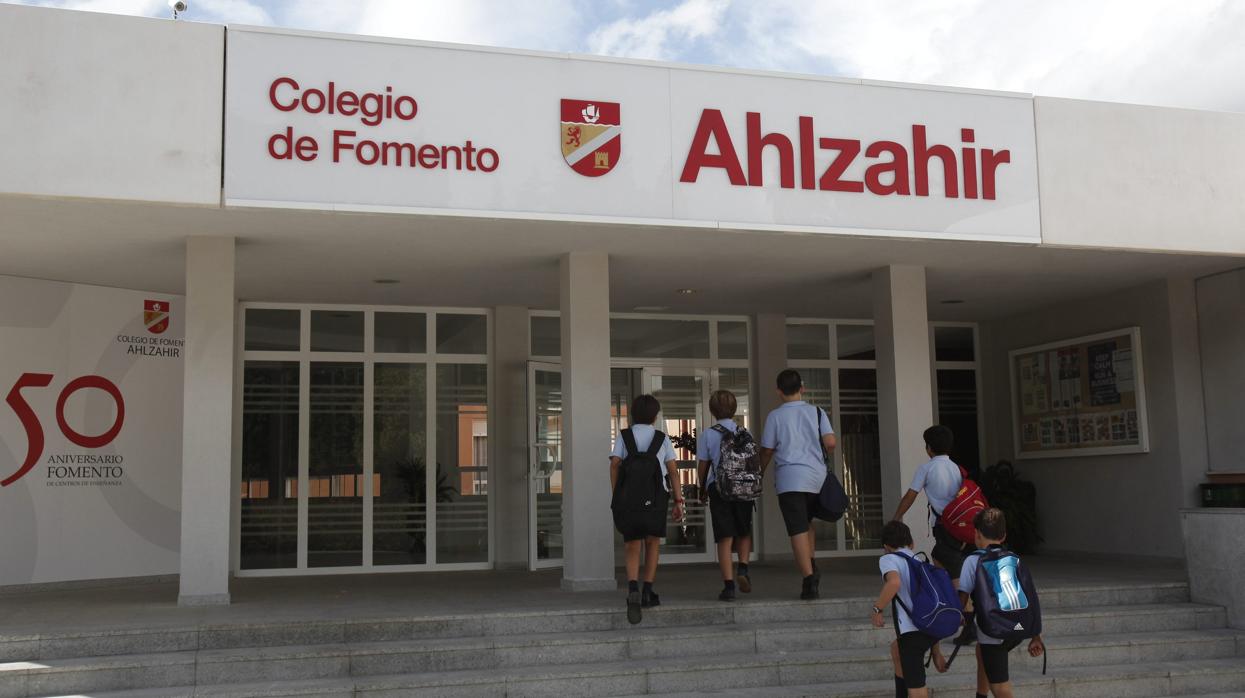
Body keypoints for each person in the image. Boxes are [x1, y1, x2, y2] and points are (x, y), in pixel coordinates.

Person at [759, 369, 836, 599]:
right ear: (802, 388)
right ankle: (811, 563)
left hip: (790, 479)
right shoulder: (817, 412)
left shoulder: (775, 416)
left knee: (797, 529)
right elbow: (830, 442)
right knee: (807, 523)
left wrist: (758, 474)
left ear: (778, 391)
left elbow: (767, 450)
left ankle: (808, 579)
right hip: (817, 478)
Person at [609, 394, 683, 625]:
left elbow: (614, 464)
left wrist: (616, 493)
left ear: (632, 414)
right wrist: (679, 500)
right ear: (655, 415)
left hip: (629, 499)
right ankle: (648, 591)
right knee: (652, 542)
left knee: (632, 544)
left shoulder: (624, 436)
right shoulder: (661, 438)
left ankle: (632, 587)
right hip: (656, 497)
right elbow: (672, 470)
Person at [959, 508, 1045, 698]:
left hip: (993, 630)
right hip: (1016, 629)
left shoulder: (973, 560)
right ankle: (981, 694)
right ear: (1004, 535)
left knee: (1001, 688)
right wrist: (1036, 635)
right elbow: (1030, 597)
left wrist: (956, 617)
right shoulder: (1014, 559)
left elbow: (963, 598)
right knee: (982, 653)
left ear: (977, 534)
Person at [871, 520, 949, 698]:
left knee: (917, 690)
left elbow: (894, 582)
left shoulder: (888, 558)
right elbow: (930, 608)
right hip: (928, 629)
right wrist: (936, 653)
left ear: (886, 546)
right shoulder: (918, 560)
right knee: (896, 650)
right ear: (911, 543)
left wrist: (877, 609)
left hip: (912, 634)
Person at [890, 425, 971, 582]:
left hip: (944, 524)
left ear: (929, 448)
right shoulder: (956, 468)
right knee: (941, 557)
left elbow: (910, 495)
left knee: (949, 562)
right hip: (960, 522)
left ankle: (961, 604)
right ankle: (951, 595)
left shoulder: (926, 468)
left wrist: (897, 516)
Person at [696, 389, 755, 601]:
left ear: (712, 410)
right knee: (744, 531)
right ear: (734, 410)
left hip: (719, 489)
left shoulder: (708, 435)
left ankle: (729, 586)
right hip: (744, 489)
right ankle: (744, 568)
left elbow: (703, 466)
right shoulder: (744, 432)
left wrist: (701, 489)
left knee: (725, 537)